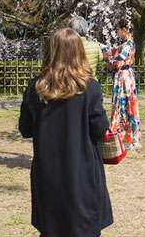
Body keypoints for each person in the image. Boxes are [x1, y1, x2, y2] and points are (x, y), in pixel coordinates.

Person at [19, 28, 113, 237]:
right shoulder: (90, 88)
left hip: (47, 170)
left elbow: (25, 129)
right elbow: (100, 129)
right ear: (78, 52)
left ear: (50, 52)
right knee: (84, 227)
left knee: (51, 227)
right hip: (82, 170)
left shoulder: (35, 88)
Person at [108, 19, 141, 149]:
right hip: (126, 76)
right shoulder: (128, 44)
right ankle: (126, 135)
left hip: (124, 78)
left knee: (124, 103)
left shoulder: (127, 45)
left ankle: (125, 136)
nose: (117, 32)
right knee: (126, 104)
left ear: (124, 30)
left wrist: (109, 60)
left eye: (118, 30)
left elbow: (118, 62)